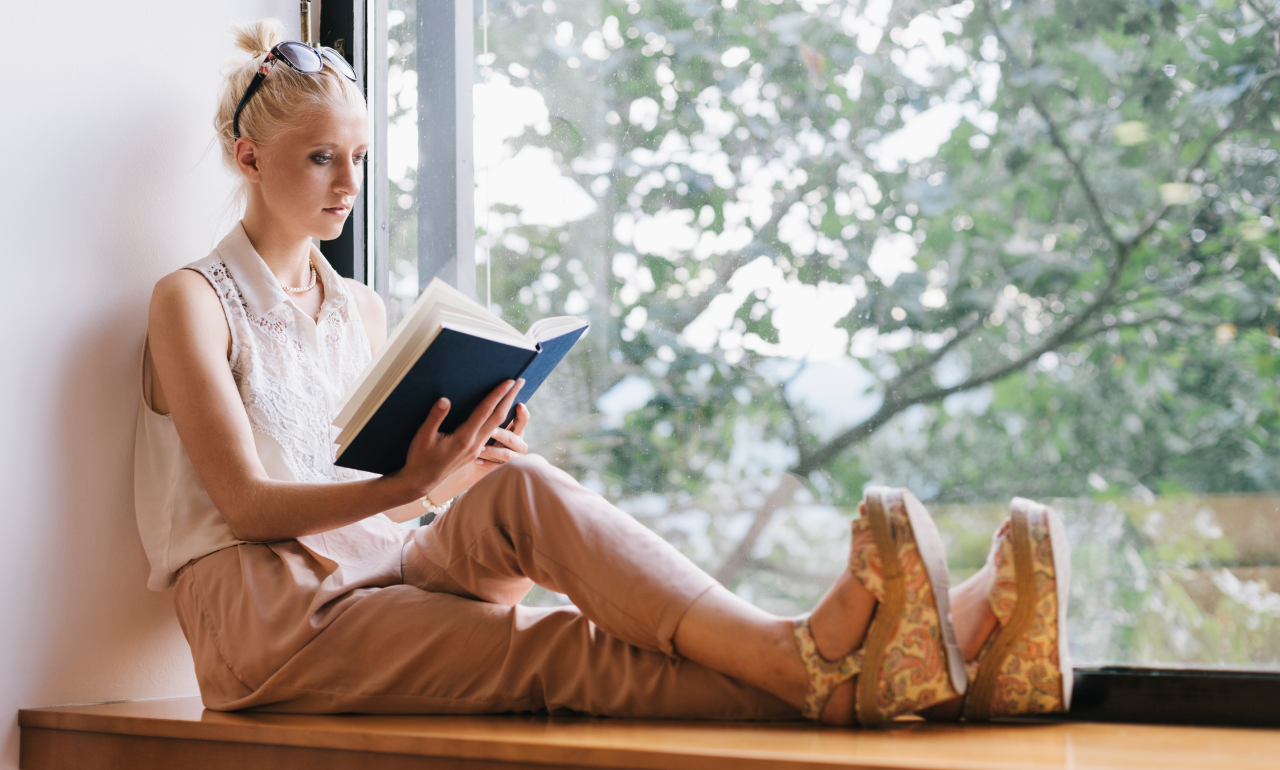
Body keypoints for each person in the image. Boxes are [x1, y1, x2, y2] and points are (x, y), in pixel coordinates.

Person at [135, 18, 1071, 726]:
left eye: (360, 159)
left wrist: (457, 465)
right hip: (266, 629)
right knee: (561, 645)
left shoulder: (361, 306)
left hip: (372, 572)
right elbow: (252, 509)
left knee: (526, 492)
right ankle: (831, 667)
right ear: (249, 159)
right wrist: (409, 482)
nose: (348, 183)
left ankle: (860, 663)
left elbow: (385, 509)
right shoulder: (193, 300)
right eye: (322, 158)